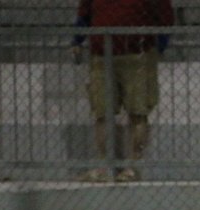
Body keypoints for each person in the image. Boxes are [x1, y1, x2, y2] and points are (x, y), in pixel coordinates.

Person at [72, 0, 174, 183]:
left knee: (138, 112)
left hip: (138, 54)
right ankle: (105, 166)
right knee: (102, 113)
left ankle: (133, 167)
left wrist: (159, 45)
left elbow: (165, 15)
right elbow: (84, 14)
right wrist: (77, 39)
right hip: (101, 55)